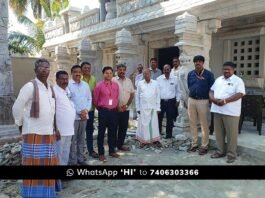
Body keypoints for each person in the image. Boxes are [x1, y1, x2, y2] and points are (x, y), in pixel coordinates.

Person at [12, 58, 61, 197]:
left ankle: (47, 194)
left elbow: (52, 112)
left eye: (47, 67)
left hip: (48, 133)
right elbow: (17, 108)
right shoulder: (29, 86)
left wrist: (55, 129)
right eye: (41, 68)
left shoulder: (50, 87)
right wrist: (20, 124)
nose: (45, 70)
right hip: (33, 133)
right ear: (35, 70)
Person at [209, 61, 245, 163]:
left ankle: (231, 155)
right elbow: (211, 90)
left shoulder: (238, 81)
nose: (226, 71)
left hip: (231, 112)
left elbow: (240, 94)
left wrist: (225, 101)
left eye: (228, 69)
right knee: (219, 133)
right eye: (224, 69)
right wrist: (213, 99)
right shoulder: (218, 79)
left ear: (233, 70)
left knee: (231, 135)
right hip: (217, 109)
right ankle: (220, 151)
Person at [187, 55, 215, 155]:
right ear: (194, 63)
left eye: (199, 61)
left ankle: (204, 145)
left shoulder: (209, 75)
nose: (197, 63)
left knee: (204, 124)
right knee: (192, 123)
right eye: (196, 61)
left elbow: (212, 89)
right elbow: (189, 86)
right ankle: (194, 144)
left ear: (203, 63)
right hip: (191, 100)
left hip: (203, 101)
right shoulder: (190, 74)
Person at [93, 66, 120, 162]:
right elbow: (95, 100)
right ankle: (101, 153)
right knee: (101, 132)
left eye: (110, 73)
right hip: (103, 111)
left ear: (112, 74)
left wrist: (114, 106)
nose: (108, 75)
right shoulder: (99, 86)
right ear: (103, 74)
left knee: (113, 132)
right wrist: (100, 108)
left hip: (113, 111)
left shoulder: (116, 85)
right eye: (106, 73)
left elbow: (116, 97)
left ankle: (112, 150)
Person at [68, 65, 92, 165]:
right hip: (73, 117)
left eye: (79, 72)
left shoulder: (85, 85)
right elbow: (69, 101)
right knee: (72, 140)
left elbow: (89, 99)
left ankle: (80, 158)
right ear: (71, 73)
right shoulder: (68, 85)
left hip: (84, 117)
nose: (77, 73)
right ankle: (73, 161)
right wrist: (79, 112)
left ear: (81, 73)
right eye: (75, 72)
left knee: (81, 139)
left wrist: (86, 110)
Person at [54, 70, 75, 165]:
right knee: (58, 152)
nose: (65, 81)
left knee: (66, 151)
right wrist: (55, 129)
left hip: (69, 128)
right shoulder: (54, 92)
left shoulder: (67, 91)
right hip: (60, 130)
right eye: (62, 79)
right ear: (56, 80)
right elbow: (52, 112)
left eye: (66, 79)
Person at [136, 68, 161, 147]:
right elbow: (137, 97)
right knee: (143, 125)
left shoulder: (155, 83)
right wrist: (138, 108)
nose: (145, 75)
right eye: (144, 74)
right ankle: (143, 141)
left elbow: (158, 96)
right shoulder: (140, 83)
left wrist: (158, 108)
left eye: (147, 74)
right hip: (143, 107)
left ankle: (155, 140)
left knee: (154, 124)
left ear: (150, 74)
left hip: (153, 107)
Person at [113, 64, 135, 151]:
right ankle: (113, 145)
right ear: (117, 70)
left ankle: (120, 145)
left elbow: (132, 94)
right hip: (115, 109)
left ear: (125, 70)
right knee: (114, 127)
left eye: (123, 70)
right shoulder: (113, 80)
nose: (122, 71)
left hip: (125, 109)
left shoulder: (129, 81)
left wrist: (126, 105)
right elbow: (110, 95)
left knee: (123, 127)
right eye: (120, 70)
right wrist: (117, 106)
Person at [157, 64, 181, 138]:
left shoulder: (175, 78)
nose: (166, 71)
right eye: (165, 69)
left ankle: (168, 134)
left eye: (168, 69)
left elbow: (178, 91)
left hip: (171, 102)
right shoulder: (159, 79)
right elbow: (157, 92)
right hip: (161, 102)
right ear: (163, 70)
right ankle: (158, 133)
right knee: (159, 118)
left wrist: (178, 100)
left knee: (170, 118)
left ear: (170, 70)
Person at [81, 61, 98, 158]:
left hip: (90, 109)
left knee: (89, 130)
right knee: (80, 132)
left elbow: (94, 94)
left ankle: (91, 150)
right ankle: (81, 153)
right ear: (81, 69)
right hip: (80, 111)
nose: (87, 69)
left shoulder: (93, 79)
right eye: (85, 68)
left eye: (88, 68)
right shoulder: (79, 79)